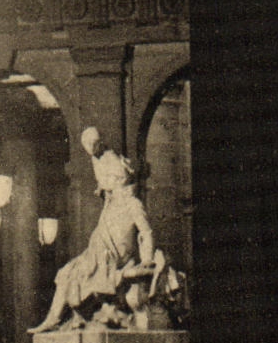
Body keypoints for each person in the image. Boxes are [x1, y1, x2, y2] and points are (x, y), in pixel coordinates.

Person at [30, 127, 172, 332]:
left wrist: (148, 258)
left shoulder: (132, 204)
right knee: (65, 273)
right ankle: (52, 320)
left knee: (76, 274)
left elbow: (146, 232)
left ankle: (63, 318)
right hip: (98, 254)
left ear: (120, 179)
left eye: (111, 181)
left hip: (112, 257)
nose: (107, 186)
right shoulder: (110, 205)